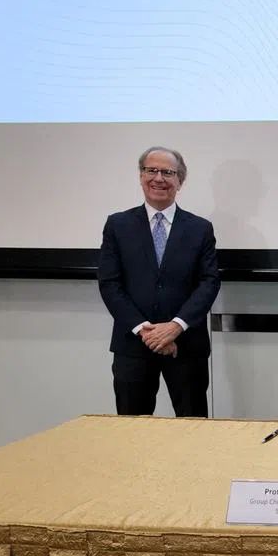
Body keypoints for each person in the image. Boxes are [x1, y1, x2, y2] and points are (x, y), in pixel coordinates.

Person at [98, 146, 221, 416]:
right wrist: (146, 331)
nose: (159, 178)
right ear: (141, 176)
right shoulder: (117, 225)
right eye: (151, 170)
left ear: (180, 181)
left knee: (194, 429)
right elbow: (109, 284)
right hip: (133, 345)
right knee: (132, 433)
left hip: (187, 346)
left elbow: (209, 282)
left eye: (168, 172)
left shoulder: (200, 228)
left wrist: (176, 327)